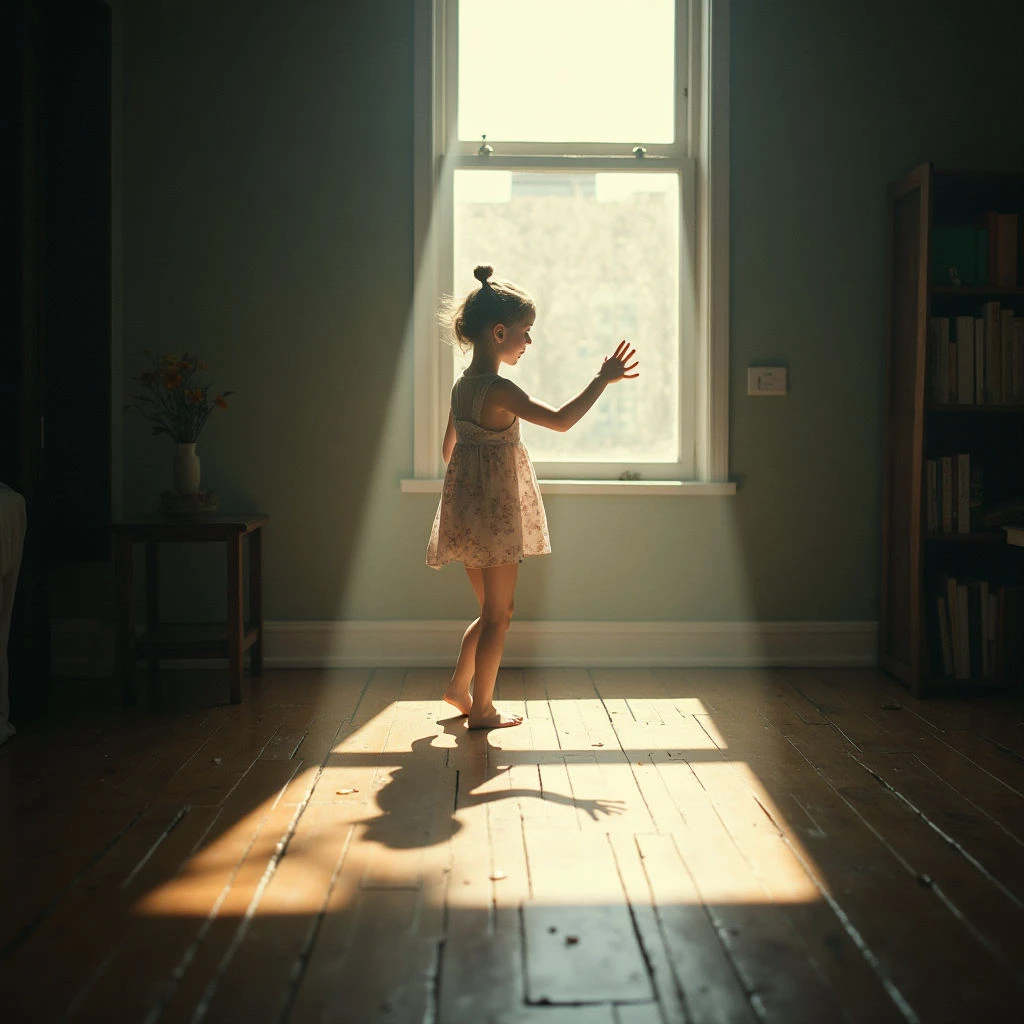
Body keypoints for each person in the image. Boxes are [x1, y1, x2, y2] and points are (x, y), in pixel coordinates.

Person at [426, 265, 639, 729]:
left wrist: (478, 468)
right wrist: (602, 379)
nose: (528, 342)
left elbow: (448, 452)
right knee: (499, 617)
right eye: (525, 333)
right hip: (494, 520)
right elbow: (561, 421)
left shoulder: (462, 387)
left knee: (490, 612)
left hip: (465, 514)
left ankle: (458, 689)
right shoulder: (499, 389)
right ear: (498, 332)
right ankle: (481, 709)